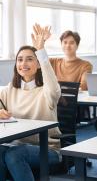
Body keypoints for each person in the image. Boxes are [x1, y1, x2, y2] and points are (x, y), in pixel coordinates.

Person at [0, 24, 61, 181]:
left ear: (39, 64)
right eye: (20, 60)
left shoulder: (47, 91)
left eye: (29, 59)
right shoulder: (9, 90)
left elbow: (53, 86)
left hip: (47, 149)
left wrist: (41, 51)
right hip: (14, 145)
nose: (23, 64)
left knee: (14, 155)